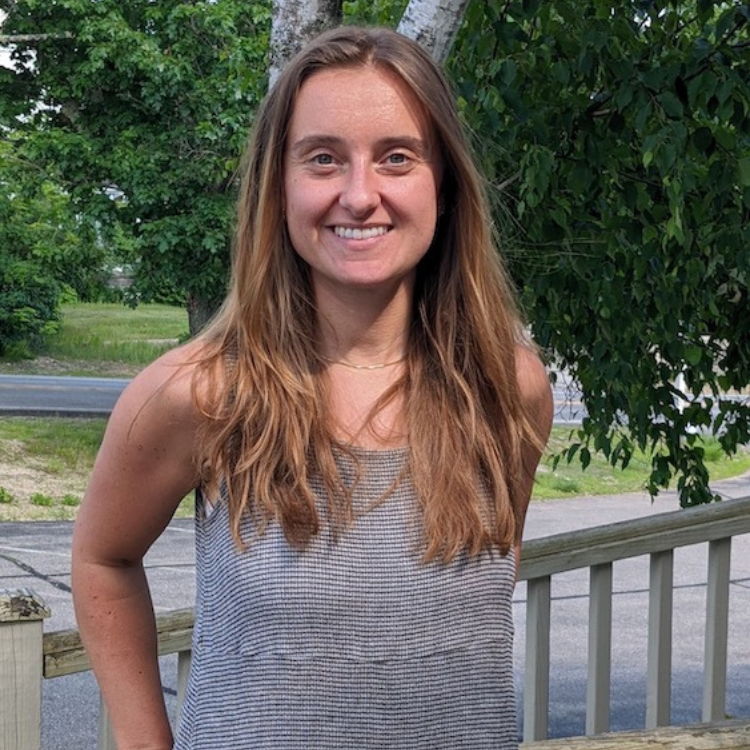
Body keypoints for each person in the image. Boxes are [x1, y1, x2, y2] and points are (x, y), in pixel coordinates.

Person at [72, 25, 553, 750]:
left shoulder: (507, 388)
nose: (360, 195)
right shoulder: (198, 394)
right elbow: (101, 559)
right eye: (323, 159)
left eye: (397, 157)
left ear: (444, 184)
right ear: (279, 186)